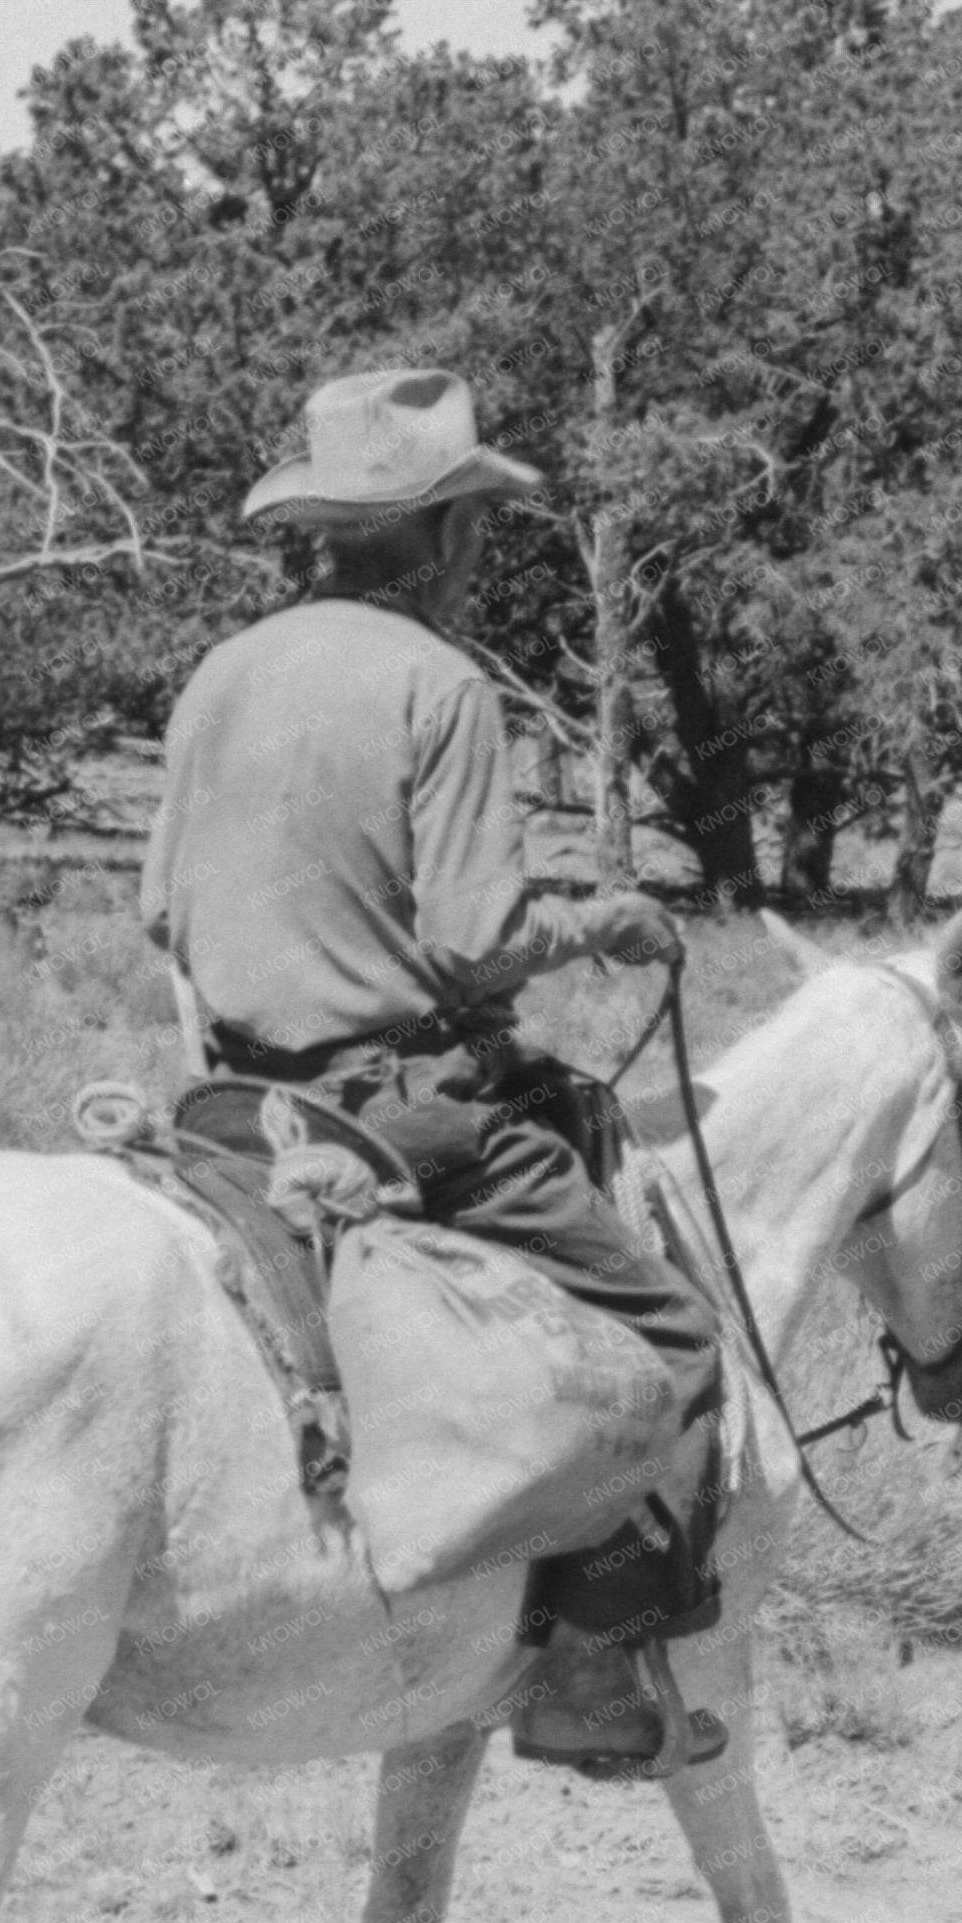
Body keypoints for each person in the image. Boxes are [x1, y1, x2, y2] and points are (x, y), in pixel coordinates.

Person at [140, 368, 728, 1772]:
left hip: (231, 1103)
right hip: (404, 1107)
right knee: (680, 1343)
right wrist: (609, 919)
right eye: (475, 523)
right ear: (448, 533)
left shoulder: (222, 673)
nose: (480, 549)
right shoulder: (442, 685)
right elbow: (475, 945)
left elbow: (163, 908)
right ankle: (587, 1668)